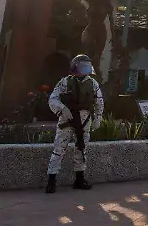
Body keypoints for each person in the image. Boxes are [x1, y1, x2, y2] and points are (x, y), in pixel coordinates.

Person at [45, 54, 104, 193]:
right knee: (58, 150)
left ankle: (79, 179)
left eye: (87, 66)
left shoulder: (93, 83)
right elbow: (53, 99)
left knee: (82, 149)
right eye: (83, 66)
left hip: (85, 120)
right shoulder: (65, 82)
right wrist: (62, 109)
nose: (85, 69)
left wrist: (98, 117)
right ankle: (51, 180)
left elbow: (99, 102)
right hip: (67, 120)